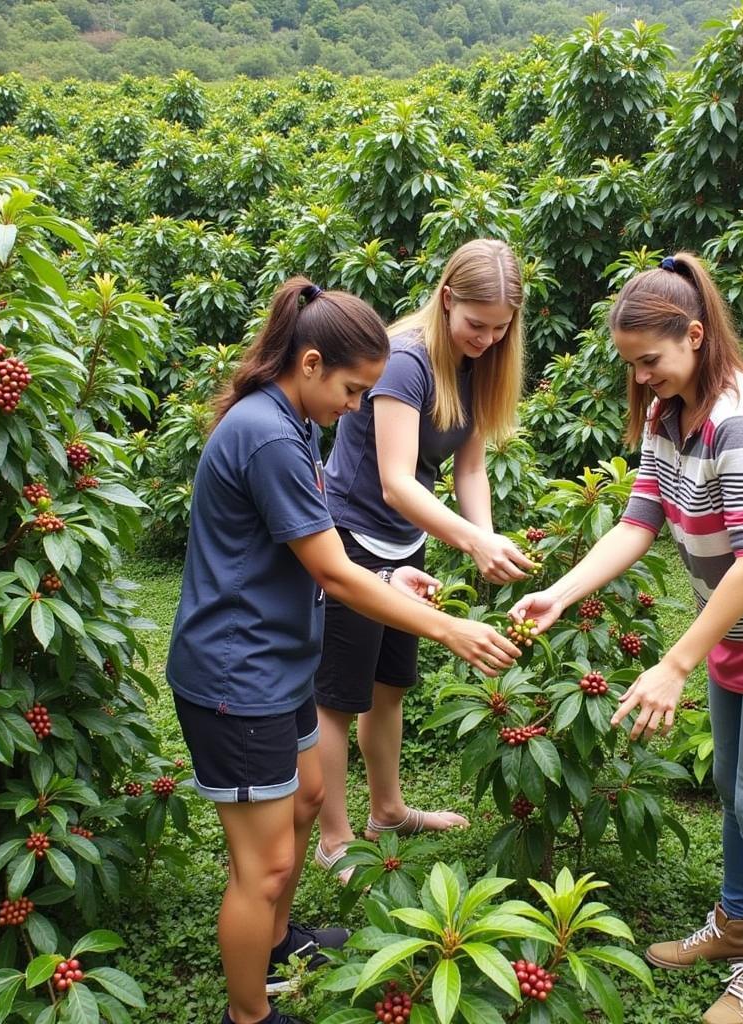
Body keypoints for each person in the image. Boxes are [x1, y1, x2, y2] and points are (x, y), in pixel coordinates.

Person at [165, 277, 521, 1024]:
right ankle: (248, 1014)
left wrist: (389, 572)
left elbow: (311, 551)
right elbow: (331, 570)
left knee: (309, 801)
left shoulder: (296, 421)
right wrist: (451, 629)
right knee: (260, 872)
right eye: (354, 391)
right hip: (238, 678)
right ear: (312, 362)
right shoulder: (266, 434)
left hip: (278, 661)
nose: (359, 408)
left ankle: (279, 943)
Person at [510, 253, 743, 1024]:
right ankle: (733, 926)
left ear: (695, 336)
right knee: (732, 790)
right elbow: (639, 523)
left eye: (650, 361)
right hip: (736, 634)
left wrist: (674, 662)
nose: (641, 379)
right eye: (631, 365)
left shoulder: (739, 421)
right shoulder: (669, 416)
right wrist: (558, 595)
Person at [313, 239, 533, 877]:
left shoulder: (478, 365)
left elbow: (469, 467)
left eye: (501, 328)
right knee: (337, 696)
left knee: (389, 690)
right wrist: (471, 540)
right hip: (351, 540)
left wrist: (486, 536)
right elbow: (396, 482)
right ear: (446, 299)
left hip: (404, 545)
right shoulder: (407, 360)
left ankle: (388, 810)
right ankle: (334, 840)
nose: (488, 339)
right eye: (476, 324)